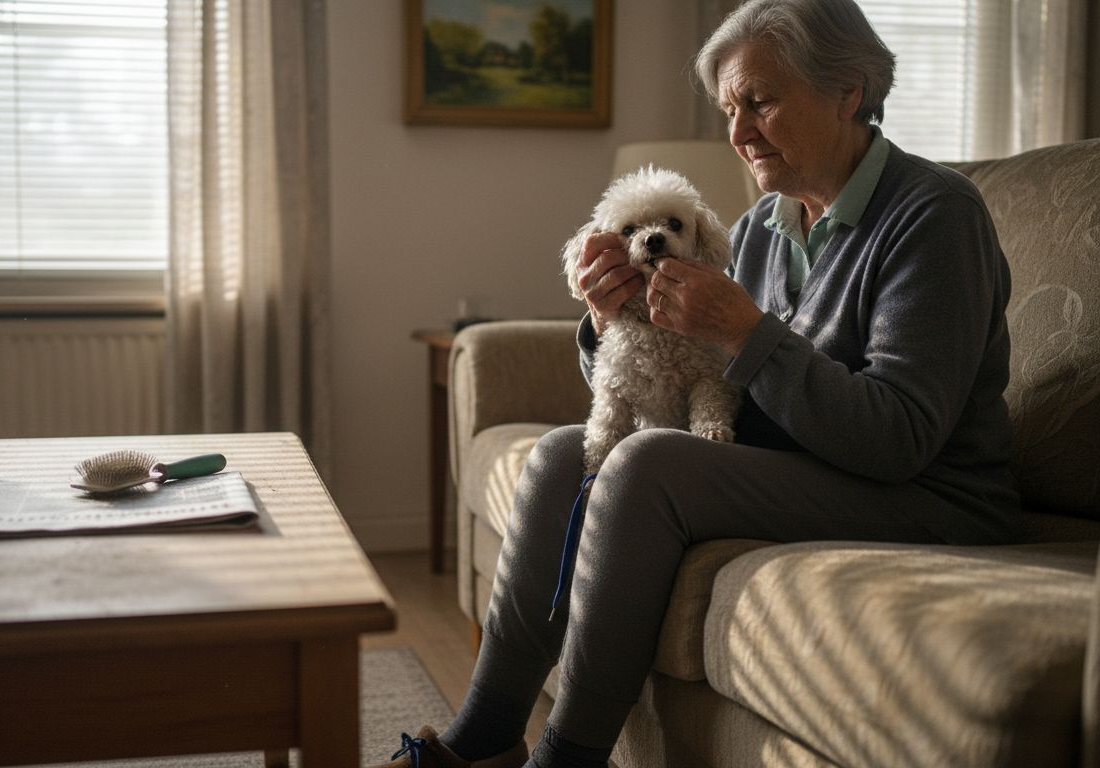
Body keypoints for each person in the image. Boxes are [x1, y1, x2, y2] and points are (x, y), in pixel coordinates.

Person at [371, 0, 1021, 765]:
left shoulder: (934, 214)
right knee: (560, 457)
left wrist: (747, 332)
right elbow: (674, 374)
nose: (739, 131)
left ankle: (568, 758)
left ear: (849, 90)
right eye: (729, 108)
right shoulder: (758, 230)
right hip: (809, 461)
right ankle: (479, 740)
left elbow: (900, 437)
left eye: (761, 101)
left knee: (648, 463)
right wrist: (611, 319)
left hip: (930, 493)